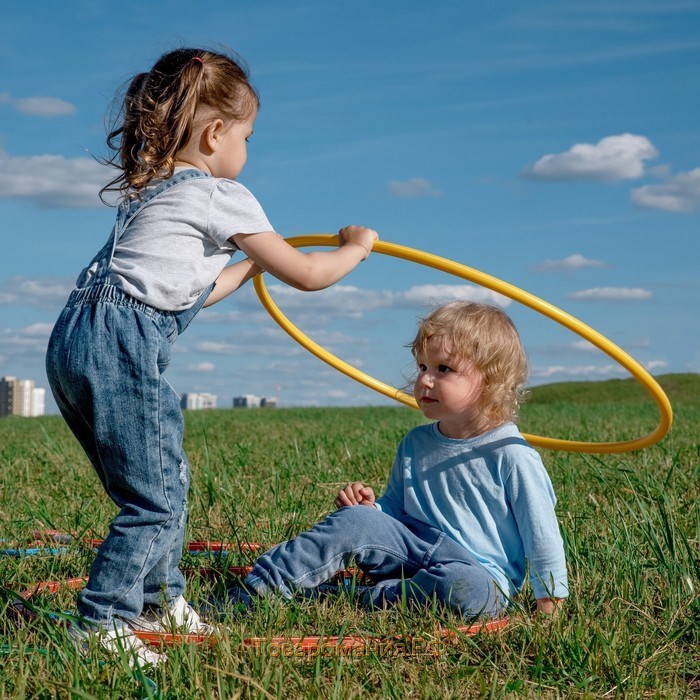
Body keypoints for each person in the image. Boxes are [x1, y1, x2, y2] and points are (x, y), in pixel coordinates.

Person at [45, 46, 377, 667]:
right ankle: (103, 623)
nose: (248, 150)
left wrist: (253, 261)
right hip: (120, 347)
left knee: (164, 479)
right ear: (217, 133)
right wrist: (358, 248)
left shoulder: (153, 192)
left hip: (74, 344)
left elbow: (198, 291)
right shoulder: (222, 194)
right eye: (249, 136)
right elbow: (308, 273)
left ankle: (163, 599)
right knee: (152, 499)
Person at [232, 302, 568, 620]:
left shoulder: (511, 454)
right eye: (423, 366)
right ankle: (258, 590)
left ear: (490, 382)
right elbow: (397, 508)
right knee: (353, 521)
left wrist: (549, 603)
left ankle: (368, 597)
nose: (424, 379)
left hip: (477, 572)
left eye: (443, 369)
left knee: (469, 588)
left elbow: (542, 536)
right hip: (412, 549)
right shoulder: (415, 443)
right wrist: (371, 511)